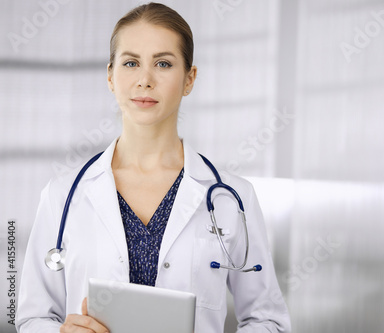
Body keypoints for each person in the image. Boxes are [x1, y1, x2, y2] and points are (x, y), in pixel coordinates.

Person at [15, 3, 291, 333]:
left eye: (163, 63)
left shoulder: (232, 198)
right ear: (110, 76)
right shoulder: (62, 195)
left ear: (189, 78)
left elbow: (268, 321)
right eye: (131, 63)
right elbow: (32, 318)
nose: (145, 80)